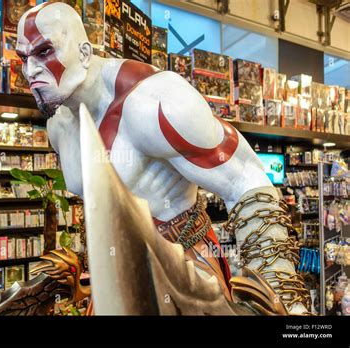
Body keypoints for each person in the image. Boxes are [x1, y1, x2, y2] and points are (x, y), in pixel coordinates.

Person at [16, 2, 309, 314]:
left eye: (45, 51)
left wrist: (282, 299)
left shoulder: (152, 102)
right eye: (24, 57)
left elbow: (244, 178)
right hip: (113, 279)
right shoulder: (58, 124)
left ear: (85, 53)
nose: (30, 70)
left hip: (184, 277)